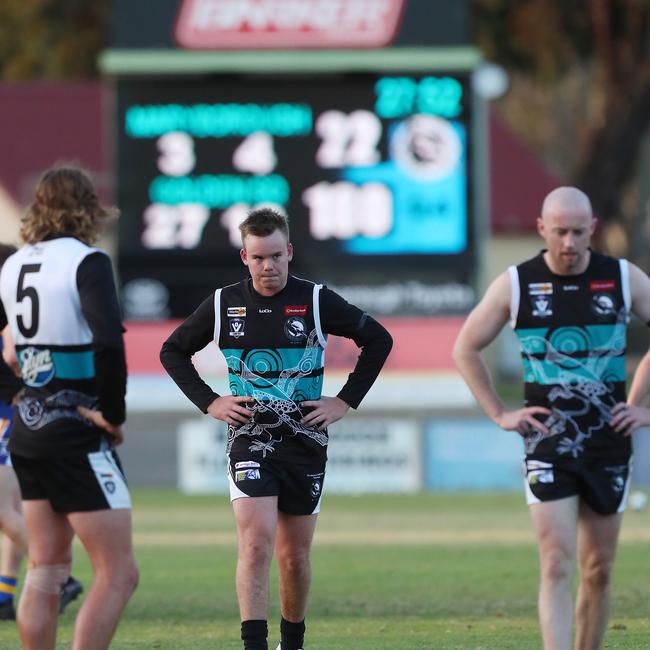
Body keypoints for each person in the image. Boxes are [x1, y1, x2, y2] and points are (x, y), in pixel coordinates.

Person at [160, 207, 393, 650]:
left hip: (305, 440)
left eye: (275, 256)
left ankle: (292, 642)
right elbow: (172, 351)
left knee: (294, 557)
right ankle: (255, 645)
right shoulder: (224, 303)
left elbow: (378, 339)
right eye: (258, 258)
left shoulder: (317, 301)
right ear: (244, 258)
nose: (268, 267)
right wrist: (210, 401)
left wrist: (344, 400)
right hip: (249, 438)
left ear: (288, 252)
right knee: (255, 544)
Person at [453, 186, 650, 650]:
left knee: (598, 570)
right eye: (559, 231)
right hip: (547, 443)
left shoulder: (622, 278)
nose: (569, 242)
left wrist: (640, 405)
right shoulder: (517, 284)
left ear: (592, 231)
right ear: (542, 229)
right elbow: (465, 347)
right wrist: (499, 412)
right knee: (556, 562)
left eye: (578, 232)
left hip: (608, 442)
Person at [0, 167, 138, 649]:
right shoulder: (88, 260)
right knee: (119, 573)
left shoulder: (12, 264)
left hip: (28, 427)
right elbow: (108, 346)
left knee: (46, 566)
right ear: (87, 208)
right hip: (76, 429)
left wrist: (15, 389)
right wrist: (113, 414)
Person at [0, 245, 84, 622]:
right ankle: (5, 591)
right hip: (16, 414)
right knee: (11, 509)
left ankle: (59, 577)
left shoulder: (10, 314)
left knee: (5, 511)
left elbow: (13, 359)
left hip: (11, 416)